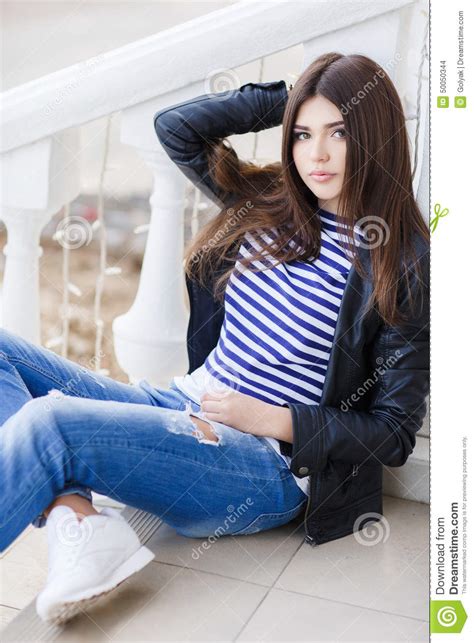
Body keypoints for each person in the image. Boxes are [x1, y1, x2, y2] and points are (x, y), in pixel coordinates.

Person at [0, 52, 429, 625]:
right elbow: (177, 128)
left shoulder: (402, 261)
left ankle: (79, 521)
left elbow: (393, 433)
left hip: (263, 465)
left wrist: (269, 419)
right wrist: (294, 94)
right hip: (183, 406)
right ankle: (78, 521)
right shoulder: (271, 202)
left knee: (48, 425)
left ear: (374, 135)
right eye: (302, 134)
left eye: (339, 133)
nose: (316, 154)